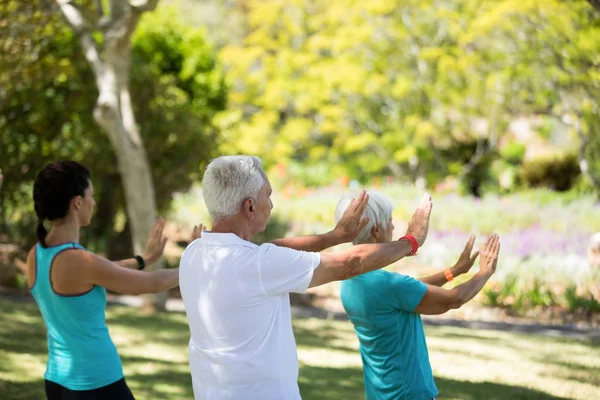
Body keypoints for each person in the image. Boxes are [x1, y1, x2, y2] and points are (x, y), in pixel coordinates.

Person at [179, 155, 433, 400]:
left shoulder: (195, 253)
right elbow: (351, 263)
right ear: (250, 207)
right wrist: (411, 240)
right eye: (268, 195)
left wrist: (336, 236)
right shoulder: (257, 264)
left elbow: (273, 248)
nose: (272, 203)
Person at [27, 160, 180, 400]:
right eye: (92, 195)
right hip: (96, 384)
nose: (94, 202)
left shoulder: (36, 255)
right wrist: (198, 266)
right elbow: (152, 283)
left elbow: (101, 272)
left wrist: (143, 259)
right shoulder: (78, 260)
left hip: (57, 382)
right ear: (78, 202)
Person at [335, 191, 501, 400]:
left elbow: (410, 291)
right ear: (376, 229)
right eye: (390, 221)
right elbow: (453, 299)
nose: (394, 228)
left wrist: (454, 271)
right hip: (409, 394)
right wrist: (485, 272)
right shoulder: (386, 284)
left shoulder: (351, 280)